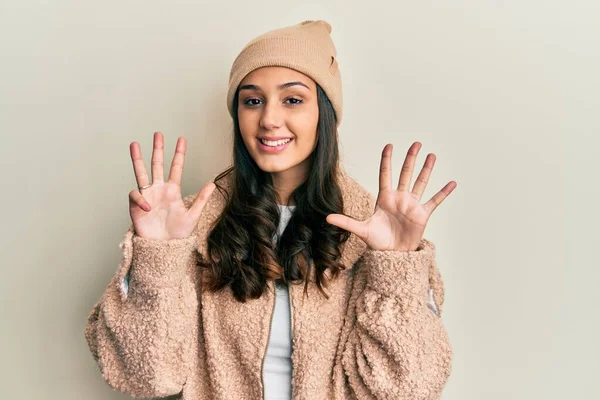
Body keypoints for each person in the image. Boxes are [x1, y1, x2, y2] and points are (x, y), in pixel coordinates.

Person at [84, 20, 456, 400]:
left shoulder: (373, 231)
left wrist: (395, 267)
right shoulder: (190, 224)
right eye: (252, 100)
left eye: (292, 99)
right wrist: (157, 260)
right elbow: (145, 377)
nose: (269, 119)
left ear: (323, 114)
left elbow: (408, 389)